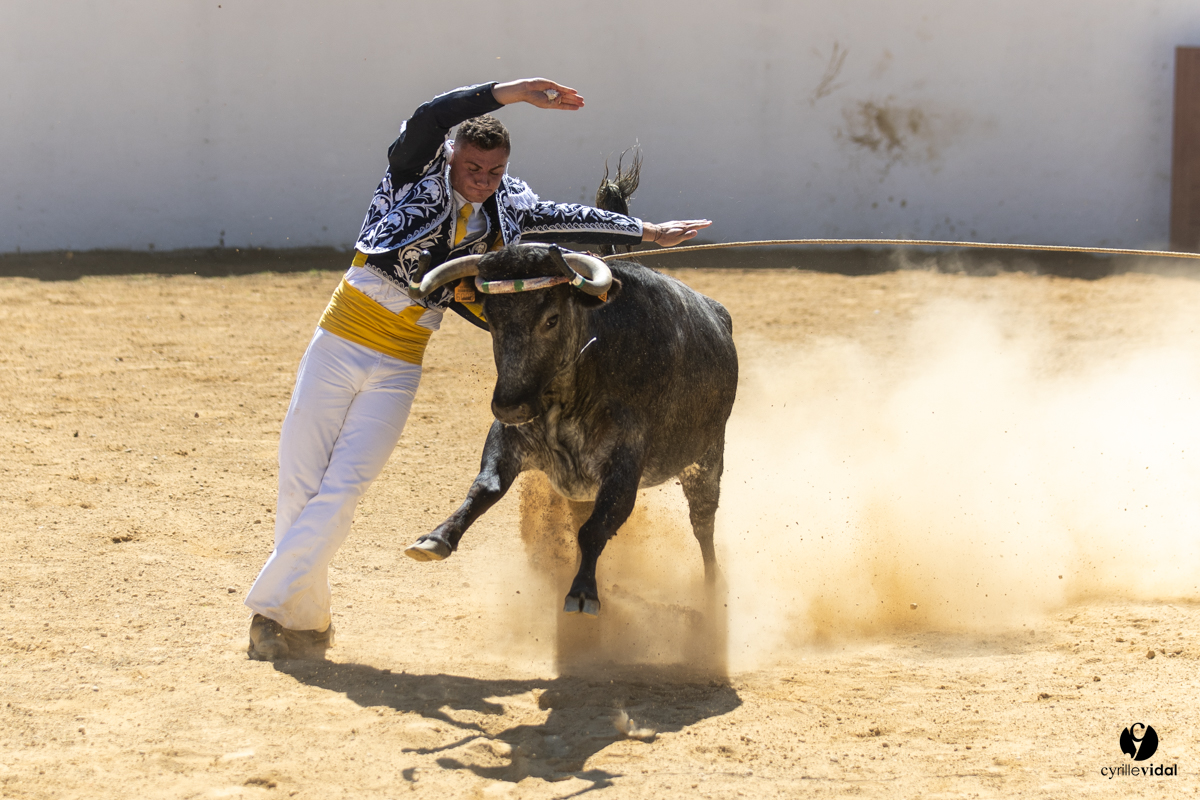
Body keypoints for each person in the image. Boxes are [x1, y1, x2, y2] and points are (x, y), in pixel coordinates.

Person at [243, 78, 711, 660]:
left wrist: (646, 231)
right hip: (336, 346)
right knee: (298, 486)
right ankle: (305, 621)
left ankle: (268, 609)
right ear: (450, 156)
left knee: (342, 490)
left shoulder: (508, 207)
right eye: (472, 167)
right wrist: (511, 92)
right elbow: (428, 114)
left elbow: (564, 219)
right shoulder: (411, 176)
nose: (482, 180)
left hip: (397, 365)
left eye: (493, 171)